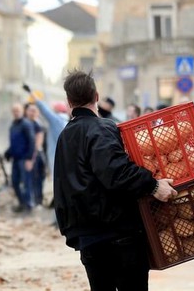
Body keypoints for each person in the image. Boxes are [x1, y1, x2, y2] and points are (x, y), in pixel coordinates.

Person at [54, 70, 176, 290]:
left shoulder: (65, 136)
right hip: (118, 235)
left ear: (69, 101)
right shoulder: (102, 128)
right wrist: (154, 185)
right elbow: (116, 173)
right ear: (97, 96)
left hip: (88, 239)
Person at [5, 103, 36, 213]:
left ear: (22, 111)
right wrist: (8, 152)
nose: (16, 112)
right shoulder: (13, 125)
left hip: (24, 158)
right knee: (14, 182)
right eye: (14, 110)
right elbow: (14, 142)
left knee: (26, 183)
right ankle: (22, 203)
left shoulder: (26, 124)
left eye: (18, 110)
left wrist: (29, 159)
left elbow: (32, 142)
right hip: (16, 159)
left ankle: (29, 206)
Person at [25, 103, 46, 207]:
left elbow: (38, 143)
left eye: (34, 110)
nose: (32, 113)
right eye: (30, 110)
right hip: (29, 155)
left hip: (36, 155)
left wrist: (32, 158)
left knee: (37, 179)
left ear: (38, 113)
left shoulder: (38, 125)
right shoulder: (25, 124)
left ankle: (38, 201)